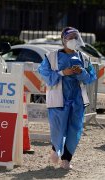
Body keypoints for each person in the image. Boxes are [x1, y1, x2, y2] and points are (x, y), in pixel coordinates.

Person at [38, 27, 97, 169]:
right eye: (70, 38)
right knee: (58, 128)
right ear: (63, 40)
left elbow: (91, 77)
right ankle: (55, 149)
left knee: (74, 129)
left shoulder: (84, 58)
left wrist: (81, 72)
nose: (73, 40)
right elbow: (46, 75)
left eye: (75, 37)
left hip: (77, 100)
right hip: (58, 100)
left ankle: (66, 159)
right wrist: (62, 73)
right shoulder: (51, 57)